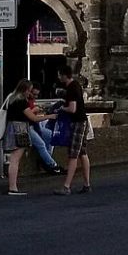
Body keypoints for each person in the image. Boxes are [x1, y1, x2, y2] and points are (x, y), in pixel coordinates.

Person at [2, 79, 55, 195]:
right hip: (20, 129)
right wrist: (50, 116)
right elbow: (34, 118)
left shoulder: (11, 98)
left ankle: (12, 186)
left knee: (13, 159)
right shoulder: (22, 101)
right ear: (25, 90)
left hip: (11, 128)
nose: (30, 94)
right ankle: (13, 187)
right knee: (15, 159)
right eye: (29, 91)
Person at [54, 64, 91, 196]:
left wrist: (61, 108)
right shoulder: (76, 85)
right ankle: (87, 184)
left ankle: (67, 186)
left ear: (64, 75)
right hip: (83, 121)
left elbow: (72, 109)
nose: (58, 77)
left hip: (77, 122)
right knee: (82, 153)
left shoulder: (71, 88)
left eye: (59, 75)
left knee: (73, 154)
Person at [25, 84, 62, 174]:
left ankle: (46, 160)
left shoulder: (30, 100)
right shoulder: (23, 101)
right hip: (26, 127)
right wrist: (36, 111)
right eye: (33, 94)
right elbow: (29, 116)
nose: (35, 97)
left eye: (37, 95)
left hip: (33, 125)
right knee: (41, 144)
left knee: (50, 136)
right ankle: (53, 164)